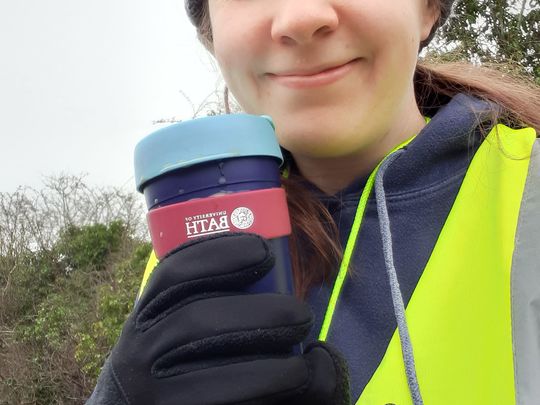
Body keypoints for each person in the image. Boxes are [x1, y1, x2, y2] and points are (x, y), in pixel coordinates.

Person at [87, 0, 540, 404]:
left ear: (428, 9)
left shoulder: (529, 198)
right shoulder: (191, 238)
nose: (301, 16)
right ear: (209, 33)